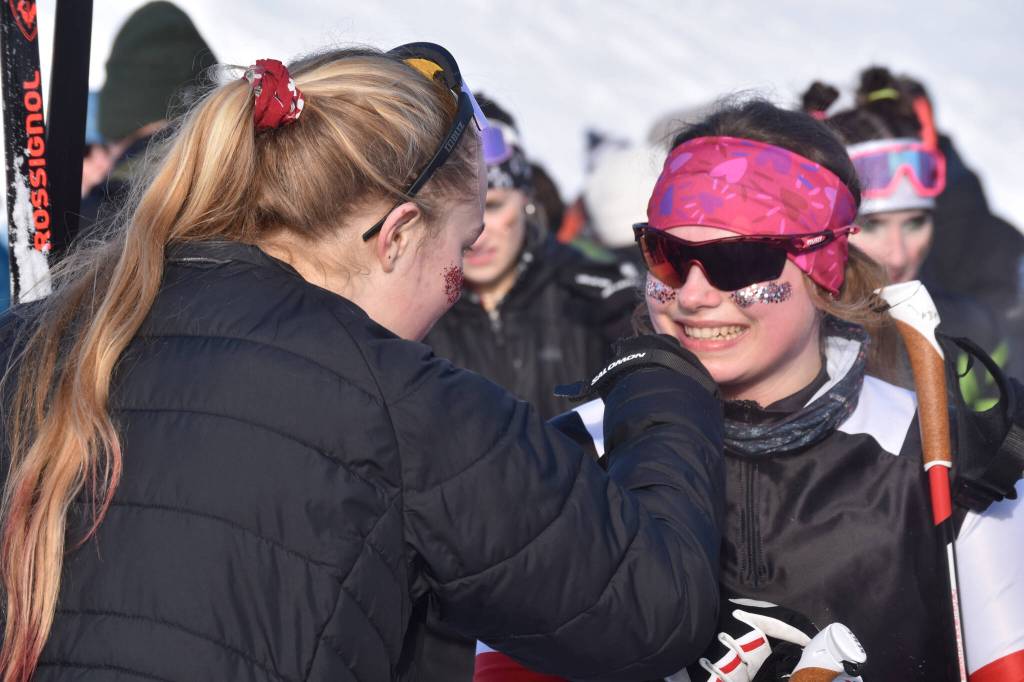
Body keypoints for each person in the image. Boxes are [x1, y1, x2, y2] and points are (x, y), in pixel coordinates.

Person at [0, 45, 729, 682]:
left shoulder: (44, 333)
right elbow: (652, 605)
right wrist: (662, 385)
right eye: (461, 248)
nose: (457, 289)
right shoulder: (397, 400)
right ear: (398, 233)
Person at [472, 100, 1024, 681]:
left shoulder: (944, 460)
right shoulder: (567, 458)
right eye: (668, 256)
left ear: (823, 268)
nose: (692, 295)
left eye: (734, 261)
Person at [425, 95, 638, 419]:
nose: (477, 233)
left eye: (492, 206)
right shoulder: (416, 308)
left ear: (525, 198)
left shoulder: (597, 292)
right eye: (458, 210)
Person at [80, 1, 217, 235]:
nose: (98, 159)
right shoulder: (232, 178)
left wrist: (75, 209)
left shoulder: (105, 211)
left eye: (91, 148)